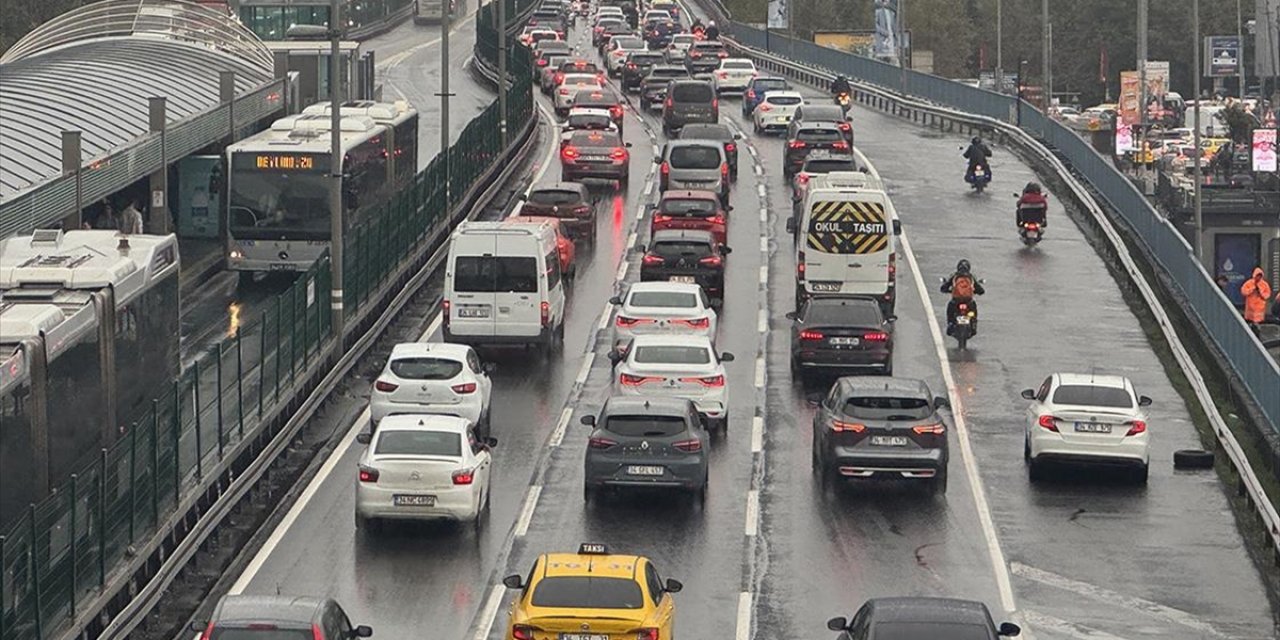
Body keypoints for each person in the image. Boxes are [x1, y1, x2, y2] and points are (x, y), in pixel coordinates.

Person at [940, 259, 985, 335]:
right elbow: (980, 290)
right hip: (968, 300)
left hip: (956, 300)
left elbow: (944, 287)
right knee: (973, 311)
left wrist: (947, 290)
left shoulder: (955, 276)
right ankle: (973, 324)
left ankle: (950, 324)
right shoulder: (971, 277)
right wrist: (978, 292)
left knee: (950, 309)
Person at [1241, 267, 1272, 333]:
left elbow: (1267, 295)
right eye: (1257, 275)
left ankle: (1257, 332)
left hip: (1259, 307)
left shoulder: (1264, 284)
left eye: (1260, 276)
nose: (1258, 277)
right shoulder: (1249, 283)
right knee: (1250, 322)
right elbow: (1243, 291)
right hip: (1250, 306)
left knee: (1258, 323)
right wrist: (1252, 289)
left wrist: (1260, 292)